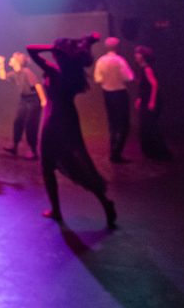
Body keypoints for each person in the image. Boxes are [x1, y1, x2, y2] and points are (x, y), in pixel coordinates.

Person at [28, 33, 117, 229]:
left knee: (47, 166)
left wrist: (53, 48)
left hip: (53, 119)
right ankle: (105, 203)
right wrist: (79, 44)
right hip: (69, 118)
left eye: (55, 49)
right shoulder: (72, 72)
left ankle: (56, 210)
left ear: (59, 52)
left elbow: (30, 49)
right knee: (79, 163)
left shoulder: (54, 70)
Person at [93, 36, 135, 163]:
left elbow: (97, 79)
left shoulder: (101, 61)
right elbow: (129, 77)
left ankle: (113, 152)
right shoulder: (120, 60)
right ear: (117, 47)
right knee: (123, 124)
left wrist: (107, 80)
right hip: (120, 93)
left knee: (113, 124)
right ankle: (117, 153)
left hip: (107, 94)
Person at [0, 52, 47, 159]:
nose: (10, 59)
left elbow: (37, 85)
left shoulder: (26, 72)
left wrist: (43, 100)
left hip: (33, 99)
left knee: (31, 125)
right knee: (18, 121)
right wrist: (1, 64)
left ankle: (33, 151)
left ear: (17, 61)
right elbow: (2, 77)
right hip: (24, 99)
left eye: (12, 58)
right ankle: (14, 147)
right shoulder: (15, 73)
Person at [134, 45, 173, 160]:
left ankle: (159, 152)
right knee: (147, 126)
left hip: (150, 101)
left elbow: (154, 85)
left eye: (138, 53)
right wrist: (140, 99)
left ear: (143, 56)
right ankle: (151, 151)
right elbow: (144, 87)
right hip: (146, 100)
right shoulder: (143, 68)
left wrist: (152, 101)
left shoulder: (147, 69)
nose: (136, 55)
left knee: (151, 126)